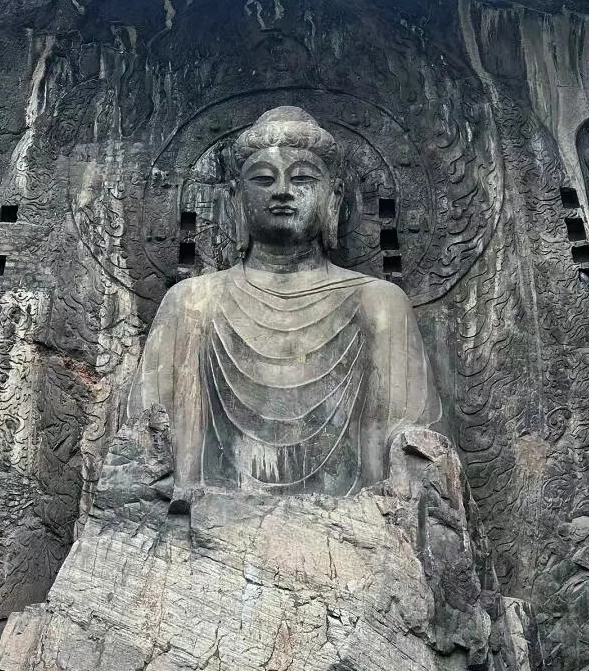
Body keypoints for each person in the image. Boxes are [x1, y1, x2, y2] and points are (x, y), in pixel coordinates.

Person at [127, 106, 442, 496]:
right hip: (210, 517)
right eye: (263, 179)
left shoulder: (379, 302)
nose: (282, 191)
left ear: (334, 197)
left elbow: (405, 443)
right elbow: (152, 441)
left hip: (355, 520)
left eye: (303, 178)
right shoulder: (192, 301)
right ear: (235, 198)